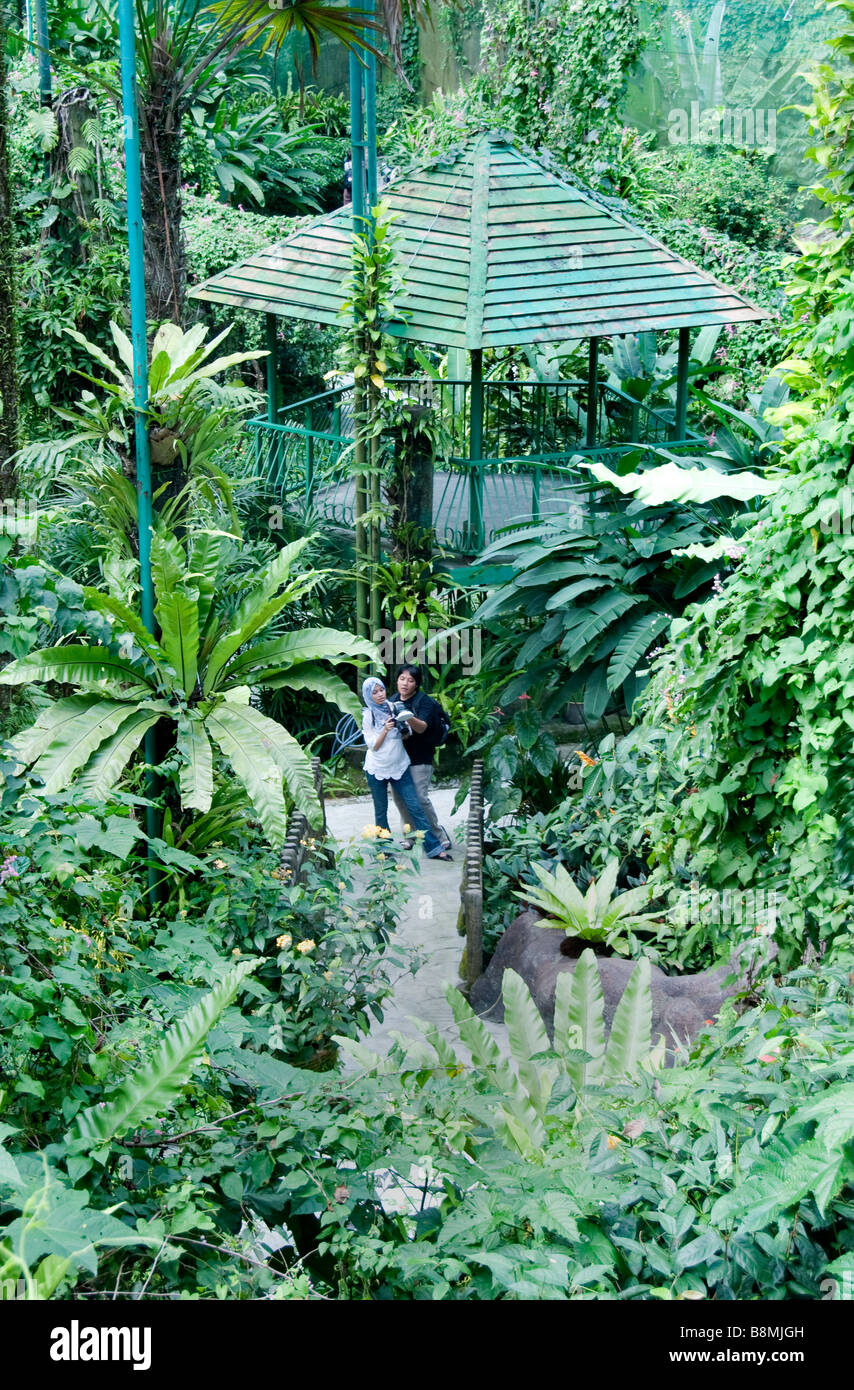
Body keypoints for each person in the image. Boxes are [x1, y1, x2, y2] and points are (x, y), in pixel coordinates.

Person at [360, 676, 452, 861]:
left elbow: (407, 734)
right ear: (368, 696)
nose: (380, 695)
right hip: (376, 769)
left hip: (399, 766)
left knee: (415, 806)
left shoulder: (393, 707)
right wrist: (385, 729)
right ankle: (384, 849)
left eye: (382, 690)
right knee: (381, 811)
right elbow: (373, 746)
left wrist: (402, 726)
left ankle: (434, 848)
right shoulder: (367, 715)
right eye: (375, 692)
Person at [389, 663, 452, 854]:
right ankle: (410, 836)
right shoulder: (391, 700)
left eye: (410, 680)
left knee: (419, 798)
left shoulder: (424, 702)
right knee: (400, 799)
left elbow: (422, 727)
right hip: (396, 759)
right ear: (397, 680)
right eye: (402, 679)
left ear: (416, 684)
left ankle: (439, 835)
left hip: (420, 757)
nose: (405, 683)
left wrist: (406, 717)